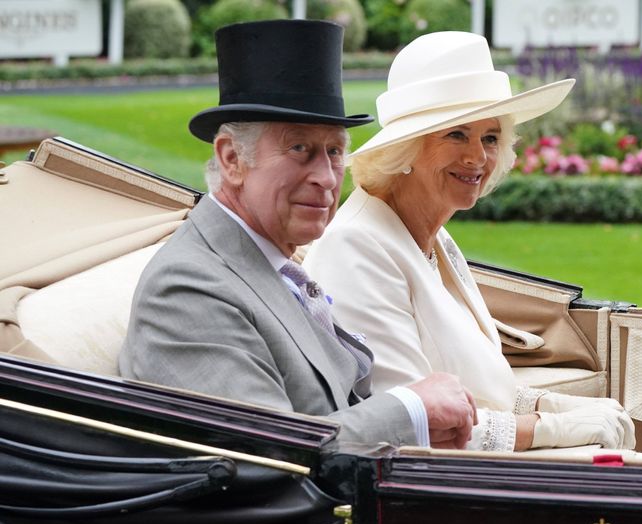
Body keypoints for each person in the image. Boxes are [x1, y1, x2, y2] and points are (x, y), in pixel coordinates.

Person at [119, 20, 476, 449]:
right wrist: (411, 408)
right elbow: (271, 454)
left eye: (335, 151)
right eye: (299, 149)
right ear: (232, 159)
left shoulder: (273, 263)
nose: (326, 178)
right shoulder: (188, 288)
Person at [303, 31, 636, 452]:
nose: (477, 157)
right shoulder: (355, 248)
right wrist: (555, 427)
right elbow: (417, 428)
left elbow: (480, 387)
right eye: (456, 135)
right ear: (406, 149)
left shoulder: (435, 237)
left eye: (490, 137)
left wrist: (558, 405)